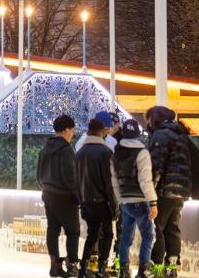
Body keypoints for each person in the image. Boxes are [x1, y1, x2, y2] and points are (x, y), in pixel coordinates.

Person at [145, 106, 191, 278]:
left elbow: (156, 166)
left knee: (155, 226)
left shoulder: (161, 135)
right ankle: (171, 266)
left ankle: (156, 268)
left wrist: (150, 192)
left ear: (155, 118)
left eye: (149, 119)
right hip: (182, 191)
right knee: (172, 228)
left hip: (165, 190)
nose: (148, 123)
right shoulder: (180, 134)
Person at [111, 119, 157, 278]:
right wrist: (153, 202)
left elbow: (114, 182)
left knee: (126, 238)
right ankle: (143, 271)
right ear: (137, 133)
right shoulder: (142, 153)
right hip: (140, 202)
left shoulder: (116, 153)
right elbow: (145, 181)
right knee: (148, 235)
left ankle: (124, 270)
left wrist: (120, 199)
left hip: (125, 202)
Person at [36, 115, 80, 277]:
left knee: (53, 229)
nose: (73, 133)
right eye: (72, 130)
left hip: (48, 194)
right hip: (65, 197)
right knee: (73, 231)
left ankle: (54, 265)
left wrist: (45, 189)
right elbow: (71, 178)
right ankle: (72, 266)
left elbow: (39, 175)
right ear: (67, 129)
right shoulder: (67, 150)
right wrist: (78, 197)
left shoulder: (45, 148)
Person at [76, 118, 117, 278]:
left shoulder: (80, 153)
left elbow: (76, 181)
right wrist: (113, 206)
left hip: (86, 201)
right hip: (102, 202)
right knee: (107, 235)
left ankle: (83, 267)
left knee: (92, 234)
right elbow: (109, 182)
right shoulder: (106, 152)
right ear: (102, 132)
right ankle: (102, 269)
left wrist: (81, 202)